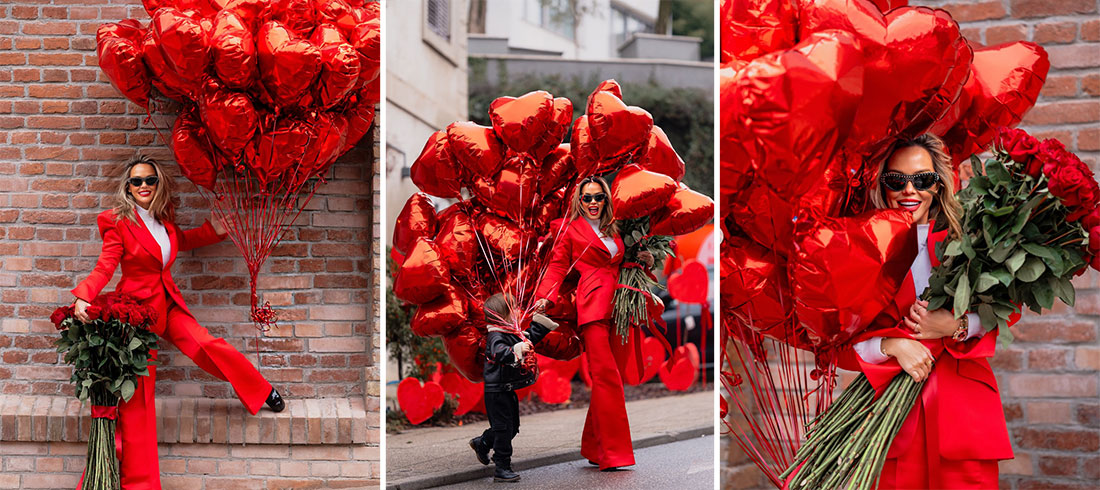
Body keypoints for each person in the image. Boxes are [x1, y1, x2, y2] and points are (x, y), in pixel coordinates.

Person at [71, 155, 285, 489]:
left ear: (159, 185)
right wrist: (85, 294)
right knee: (138, 406)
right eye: (136, 181)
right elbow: (105, 265)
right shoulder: (117, 222)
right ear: (127, 187)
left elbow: (177, 243)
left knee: (207, 345)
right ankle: (139, 485)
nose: (143, 186)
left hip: (167, 307)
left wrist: (212, 232)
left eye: (150, 180)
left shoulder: (164, 219)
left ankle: (261, 390)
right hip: (136, 320)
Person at [845, 134, 1014, 489]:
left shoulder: (970, 238)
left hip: (965, 413)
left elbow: (1005, 309)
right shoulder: (861, 248)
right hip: (894, 420)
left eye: (922, 179)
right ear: (882, 184)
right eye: (897, 180)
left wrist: (957, 324)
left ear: (938, 185)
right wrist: (893, 346)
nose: (910, 190)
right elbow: (844, 336)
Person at [532, 175, 653, 471]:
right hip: (592, 309)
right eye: (587, 198)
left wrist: (645, 261)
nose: (593, 203)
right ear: (578, 201)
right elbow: (558, 264)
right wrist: (545, 296)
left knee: (610, 378)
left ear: (606, 199)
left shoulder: (617, 228)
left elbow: (623, 262)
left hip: (621, 307)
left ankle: (593, 446)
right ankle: (614, 454)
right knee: (605, 377)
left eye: (598, 197)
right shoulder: (570, 230)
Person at [468, 293, 560, 482]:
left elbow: (528, 338)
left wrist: (539, 322)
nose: (519, 311)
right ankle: (502, 466)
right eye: (514, 309)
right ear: (503, 316)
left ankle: (483, 443)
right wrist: (516, 350)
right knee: (503, 429)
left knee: (512, 427)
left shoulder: (510, 333)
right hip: (496, 391)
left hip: (506, 388)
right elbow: (499, 353)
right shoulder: (495, 336)